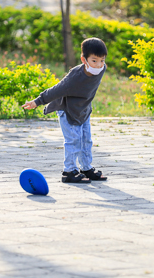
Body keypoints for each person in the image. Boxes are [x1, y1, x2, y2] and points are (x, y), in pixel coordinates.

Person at [22, 38, 108, 184]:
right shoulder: (75, 76)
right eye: (94, 61)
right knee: (73, 140)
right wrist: (37, 102)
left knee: (86, 140)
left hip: (83, 110)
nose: (99, 65)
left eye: (102, 60)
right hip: (67, 110)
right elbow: (57, 90)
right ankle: (69, 171)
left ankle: (86, 168)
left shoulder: (101, 69)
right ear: (84, 60)